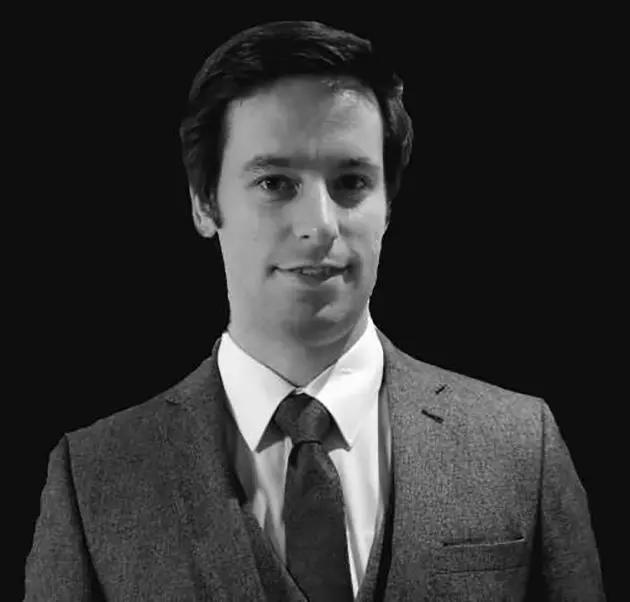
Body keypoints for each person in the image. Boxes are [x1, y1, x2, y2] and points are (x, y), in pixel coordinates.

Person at [24, 20, 605, 601]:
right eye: (275, 182)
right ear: (204, 202)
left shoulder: (520, 445)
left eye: (351, 181)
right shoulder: (94, 478)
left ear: (388, 205)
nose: (320, 225)